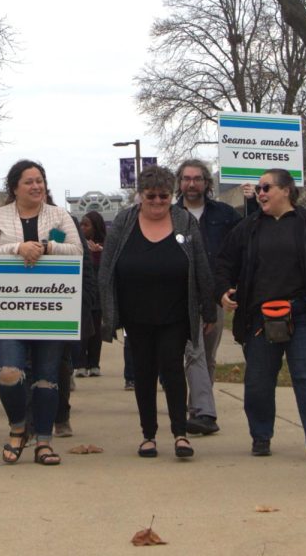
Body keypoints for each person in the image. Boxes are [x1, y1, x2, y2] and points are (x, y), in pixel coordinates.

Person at [214, 168, 306, 463]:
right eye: (259, 189)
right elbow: (223, 262)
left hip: (305, 314)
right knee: (259, 380)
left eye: (266, 187)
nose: (260, 193)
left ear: (286, 190)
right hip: (260, 317)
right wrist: (222, 291)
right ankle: (261, 436)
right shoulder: (248, 228)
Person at [99, 165, 215, 459]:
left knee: (173, 369)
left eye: (164, 196)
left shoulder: (184, 221)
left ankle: (180, 434)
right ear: (140, 195)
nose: (157, 202)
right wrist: (107, 311)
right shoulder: (125, 222)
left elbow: (201, 265)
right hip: (136, 313)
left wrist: (208, 309)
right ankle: (148, 435)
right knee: (144, 372)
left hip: (175, 312)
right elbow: (107, 269)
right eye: (151, 196)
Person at [0, 159, 83, 465]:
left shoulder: (59, 215)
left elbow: (77, 251)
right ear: (15, 187)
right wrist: (17, 248)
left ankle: (44, 441)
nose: (36, 186)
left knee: (47, 379)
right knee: (10, 374)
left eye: (40, 180)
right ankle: (18, 427)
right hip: (8, 313)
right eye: (29, 181)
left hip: (50, 311)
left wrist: (47, 247)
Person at [176, 159, 242, 436]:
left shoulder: (225, 214)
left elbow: (243, 245)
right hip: (181, 295)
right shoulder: (169, 214)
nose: (192, 184)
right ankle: (204, 412)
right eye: (187, 178)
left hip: (215, 294)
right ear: (180, 183)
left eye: (197, 178)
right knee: (194, 351)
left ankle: (197, 408)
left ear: (206, 183)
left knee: (208, 356)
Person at [73, 210, 107, 378]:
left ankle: (94, 364)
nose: (82, 227)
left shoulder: (106, 245)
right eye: (81, 224)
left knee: (96, 331)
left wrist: (100, 252)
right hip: (83, 293)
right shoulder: (77, 244)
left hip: (99, 295)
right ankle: (80, 364)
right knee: (82, 331)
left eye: (86, 224)